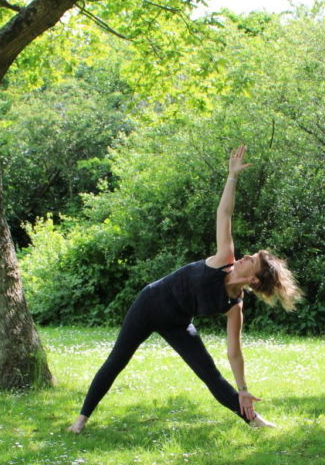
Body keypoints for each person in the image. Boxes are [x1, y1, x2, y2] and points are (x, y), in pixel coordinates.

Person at [67, 146, 302, 434]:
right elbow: (224, 213)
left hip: (178, 323)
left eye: (250, 261)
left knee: (210, 376)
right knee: (117, 360)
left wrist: (243, 388)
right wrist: (232, 177)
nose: (244, 257)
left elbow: (234, 353)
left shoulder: (234, 306)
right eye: (248, 255)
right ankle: (80, 421)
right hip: (149, 304)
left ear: (254, 280)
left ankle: (254, 420)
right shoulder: (223, 260)